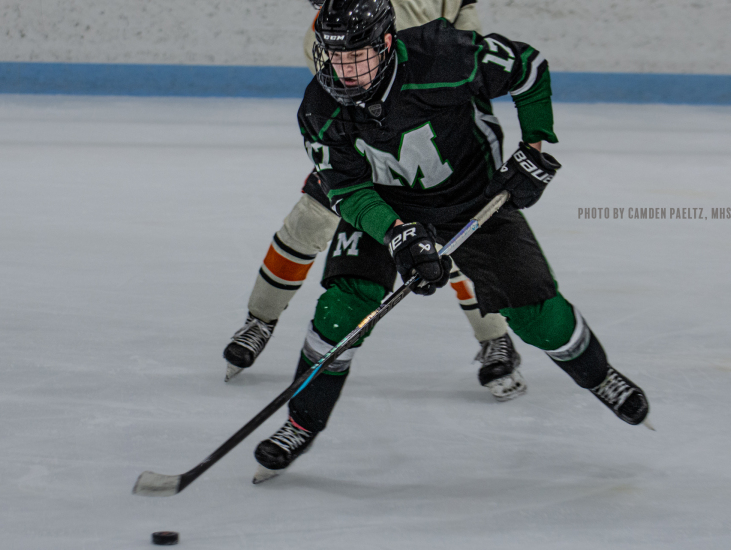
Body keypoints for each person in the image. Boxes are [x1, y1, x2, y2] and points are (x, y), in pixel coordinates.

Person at [251, 0, 651, 483]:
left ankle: (599, 374)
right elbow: (348, 190)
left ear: (387, 42)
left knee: (538, 317)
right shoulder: (319, 108)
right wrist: (397, 234)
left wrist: (534, 147)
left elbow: (527, 67)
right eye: (336, 57)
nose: (346, 71)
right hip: (387, 209)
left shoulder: (442, 54)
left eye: (358, 56)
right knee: (342, 308)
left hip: (474, 203)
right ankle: (300, 422)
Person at [224, 0, 526, 402]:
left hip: (427, 137)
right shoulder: (335, 28)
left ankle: (494, 337)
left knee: (454, 241)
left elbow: (467, 36)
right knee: (309, 223)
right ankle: (259, 320)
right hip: (362, 144)